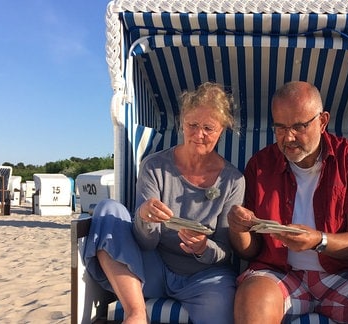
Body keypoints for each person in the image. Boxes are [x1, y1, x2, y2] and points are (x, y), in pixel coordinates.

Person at [227, 81, 348, 324]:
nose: (288, 137)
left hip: (345, 272)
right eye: (280, 127)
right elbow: (250, 250)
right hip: (279, 271)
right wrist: (238, 229)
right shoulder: (260, 165)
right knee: (252, 303)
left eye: (299, 126)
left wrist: (319, 240)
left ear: (322, 121)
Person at [83, 82, 245, 324]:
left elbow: (225, 252)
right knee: (108, 210)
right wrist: (145, 219)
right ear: (181, 121)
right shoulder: (155, 166)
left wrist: (203, 248)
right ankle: (136, 313)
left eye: (209, 128)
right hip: (151, 267)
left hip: (205, 277)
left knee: (223, 302)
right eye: (192, 125)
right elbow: (145, 242)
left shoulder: (233, 180)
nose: (199, 134)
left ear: (222, 130)